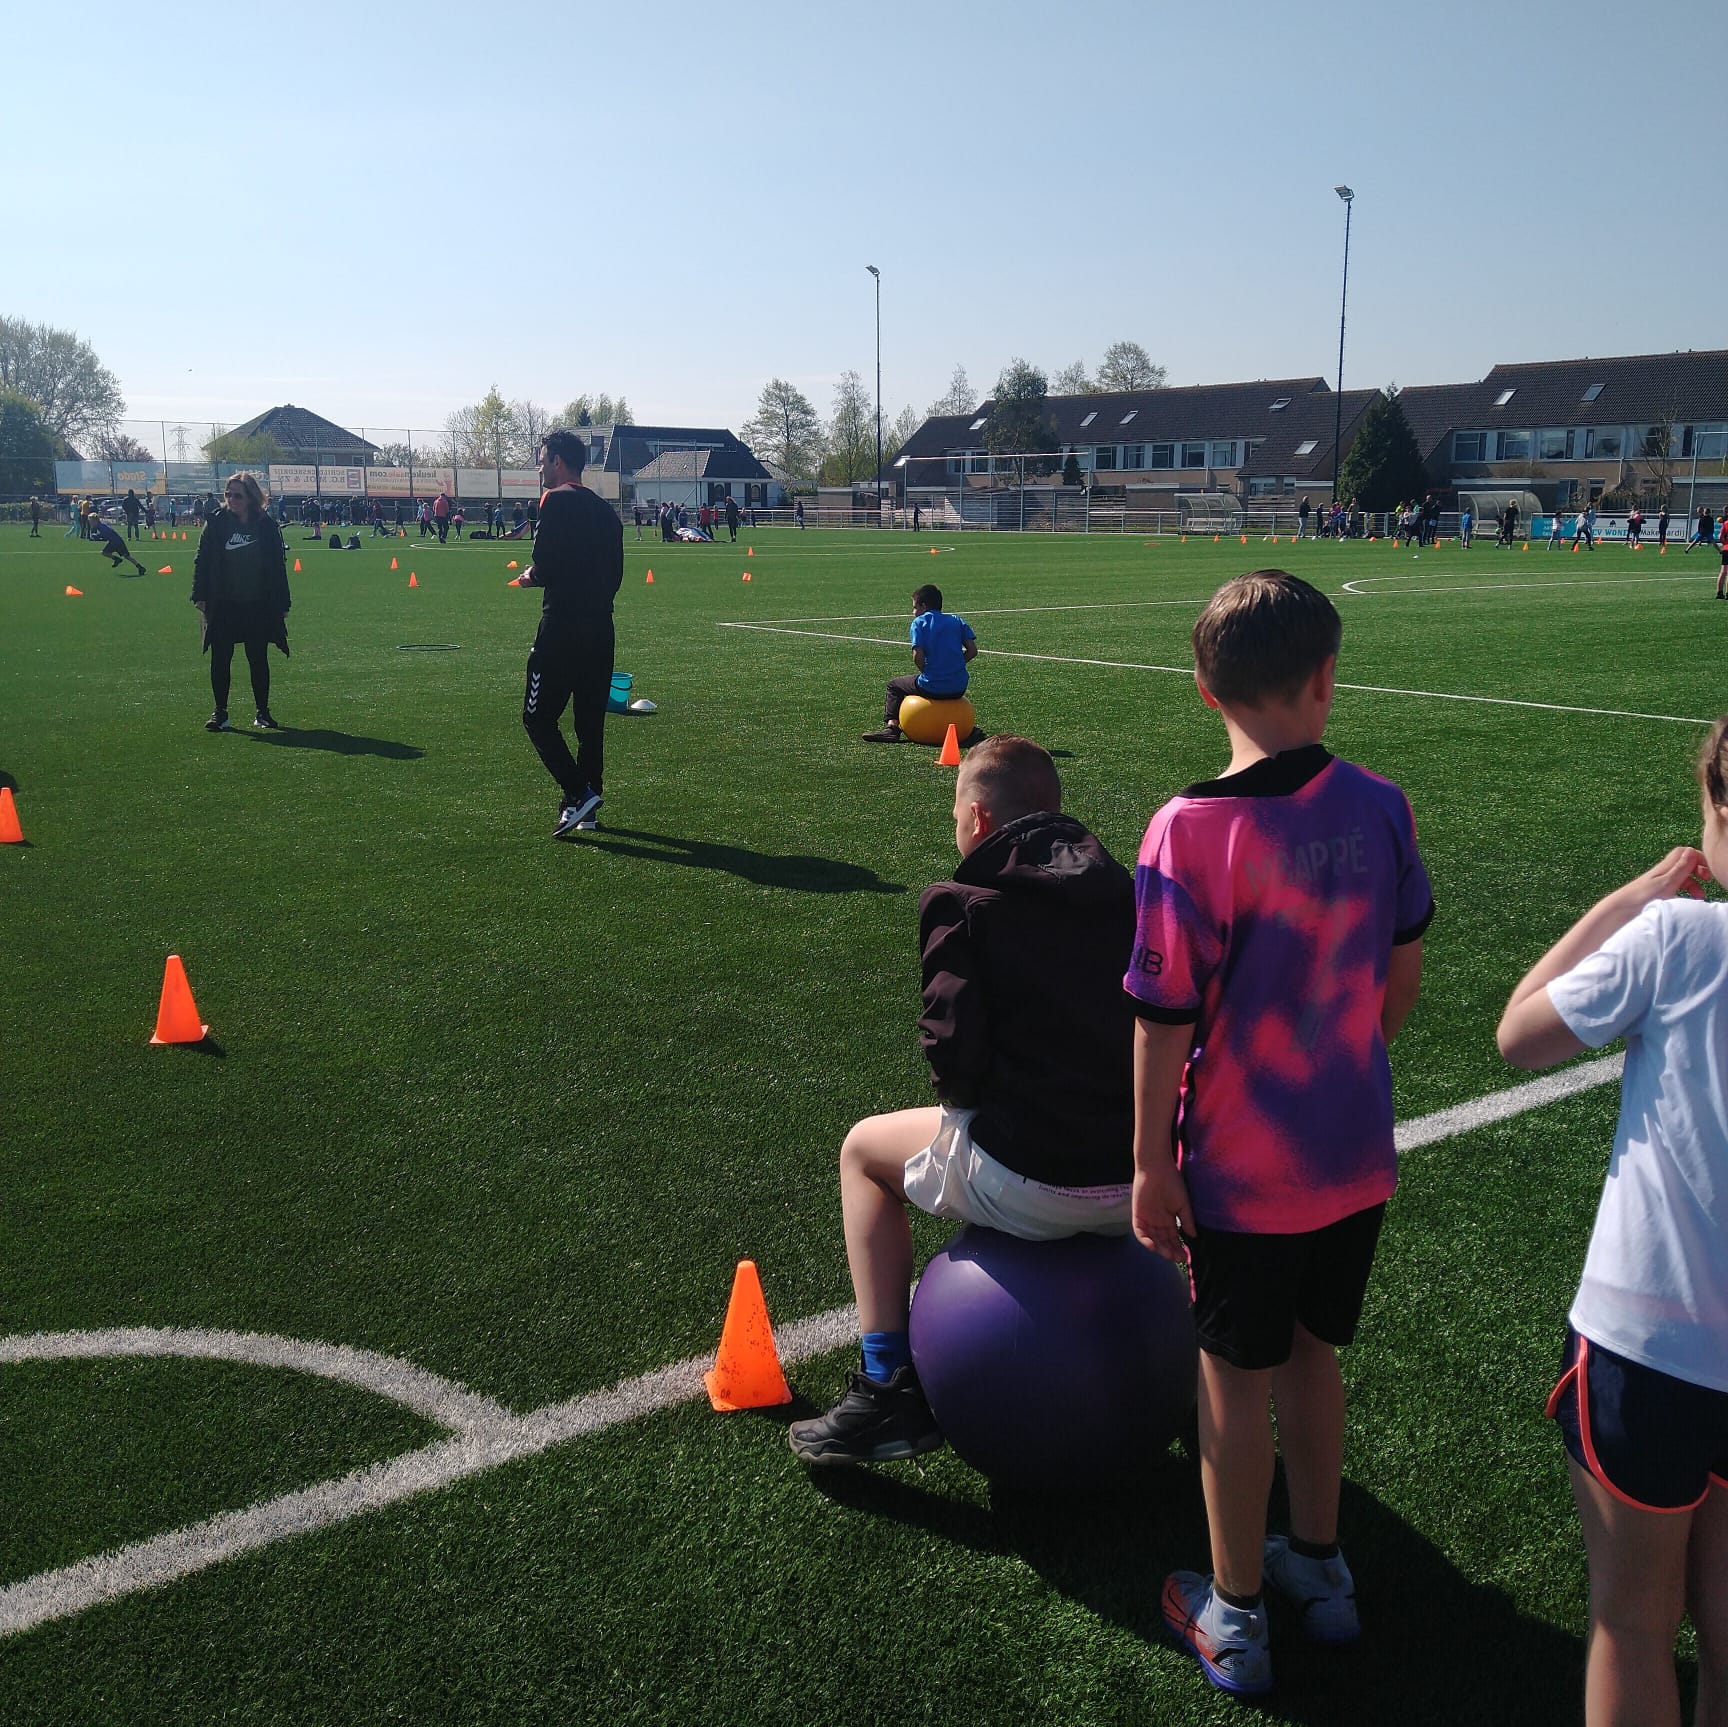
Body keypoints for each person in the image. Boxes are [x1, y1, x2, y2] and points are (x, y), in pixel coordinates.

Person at [1128, 570, 1431, 1698]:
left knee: (1230, 1382)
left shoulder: (1187, 829)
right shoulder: (1381, 804)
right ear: (1326, 679)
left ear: (1203, 686)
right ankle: (1322, 1567)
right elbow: (1400, 979)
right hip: (1353, 1152)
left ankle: (1237, 1613)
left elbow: (1161, 1020)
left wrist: (1152, 1160)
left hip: (1243, 1171)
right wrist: (1344, 1058)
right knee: (1315, 1356)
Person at [787, 736, 1138, 1464]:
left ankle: (887, 1389)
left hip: (1033, 1178)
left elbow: (953, 1058)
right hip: (1142, 1188)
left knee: (861, 1151)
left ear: (977, 820)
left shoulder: (962, 900)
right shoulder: (1127, 888)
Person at [1496, 723, 1728, 1727]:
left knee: (1632, 1624)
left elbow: (1520, 1031)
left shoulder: (1679, 938)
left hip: (1648, 1343)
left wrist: (1635, 897)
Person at [517, 429, 624, 839]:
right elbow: (614, 574)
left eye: (543, 460)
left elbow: (546, 561)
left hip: (562, 629)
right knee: (589, 722)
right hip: (601, 628)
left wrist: (532, 577)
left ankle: (577, 793)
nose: (540, 467)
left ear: (558, 461)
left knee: (536, 718)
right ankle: (586, 804)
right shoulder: (607, 511)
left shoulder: (555, 500)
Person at [191, 471, 290, 732]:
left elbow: (278, 566)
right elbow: (201, 560)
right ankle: (220, 713)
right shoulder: (216, 523)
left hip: (257, 603)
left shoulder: (265, 525)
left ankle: (263, 713)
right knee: (220, 658)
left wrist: (282, 603)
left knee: (258, 658)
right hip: (223, 604)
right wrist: (199, 595)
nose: (231, 499)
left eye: (237, 495)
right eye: (228, 494)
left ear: (251, 497)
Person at [863, 583, 977, 743]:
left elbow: (917, 655)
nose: (913, 612)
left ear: (923, 606)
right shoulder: (957, 621)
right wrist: (955, 665)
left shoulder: (919, 623)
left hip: (932, 685)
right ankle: (966, 729)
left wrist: (929, 671)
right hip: (959, 687)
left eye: (915, 607)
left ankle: (892, 728)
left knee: (894, 686)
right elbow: (972, 650)